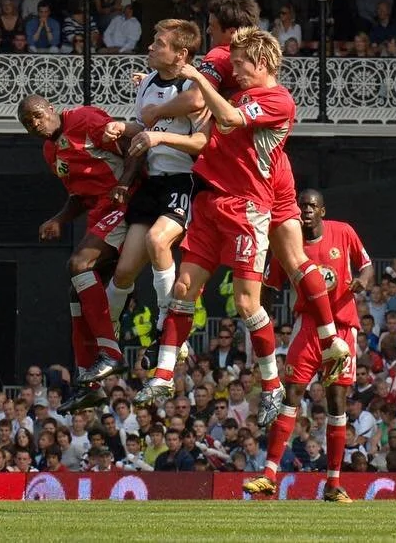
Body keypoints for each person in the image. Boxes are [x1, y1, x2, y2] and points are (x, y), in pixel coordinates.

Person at [138, 26, 348, 426]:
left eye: (240, 64)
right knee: (183, 288)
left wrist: (197, 77)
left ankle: (272, 385)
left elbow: (230, 118)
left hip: (247, 207)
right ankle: (162, 376)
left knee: (248, 303)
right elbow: (208, 123)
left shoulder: (278, 100)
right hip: (210, 201)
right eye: (231, 64)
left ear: (263, 63)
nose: (233, 72)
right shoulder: (237, 93)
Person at [85, 18, 210, 385]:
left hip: (182, 181)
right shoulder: (148, 84)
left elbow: (201, 143)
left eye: (159, 44)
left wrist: (159, 140)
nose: (151, 47)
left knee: (158, 240)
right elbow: (147, 129)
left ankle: (166, 324)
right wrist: (124, 128)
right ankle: (105, 341)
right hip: (152, 182)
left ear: (181, 54)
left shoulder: (194, 89)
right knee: (124, 271)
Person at [244, 189, 374, 504]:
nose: (306, 210)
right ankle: (269, 476)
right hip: (307, 327)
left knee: (336, 402)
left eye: (312, 206)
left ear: (322, 211)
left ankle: (333, 484)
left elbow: (367, 266)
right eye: (301, 205)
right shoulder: (287, 242)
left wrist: (364, 281)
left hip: (342, 327)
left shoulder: (343, 232)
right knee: (292, 394)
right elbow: (269, 285)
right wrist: (263, 318)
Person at [18, 94, 129, 413]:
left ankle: (111, 353)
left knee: (79, 264)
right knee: (75, 291)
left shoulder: (85, 119)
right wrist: (59, 219)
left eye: (37, 115)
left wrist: (126, 185)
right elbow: (79, 197)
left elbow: (133, 147)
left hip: (124, 205)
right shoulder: (50, 151)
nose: (35, 124)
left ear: (51, 109)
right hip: (100, 214)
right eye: (27, 123)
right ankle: (89, 385)